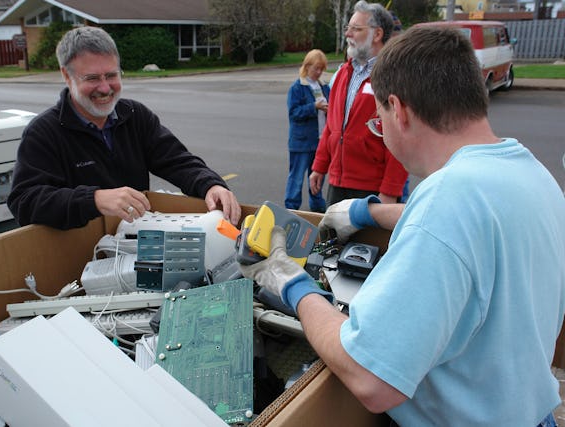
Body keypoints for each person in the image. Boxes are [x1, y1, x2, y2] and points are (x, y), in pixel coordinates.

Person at [240, 26, 565, 426]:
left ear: (400, 110)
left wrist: (291, 283)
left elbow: (371, 378)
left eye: (379, 120)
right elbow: (477, 228)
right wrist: (369, 211)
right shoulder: (531, 174)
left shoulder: (448, 202)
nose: (382, 131)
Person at [7, 26, 240, 230]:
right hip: (73, 255)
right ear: (66, 76)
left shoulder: (135, 116)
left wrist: (211, 184)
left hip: (132, 245)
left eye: (111, 75)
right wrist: (95, 199)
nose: (105, 87)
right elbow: (25, 202)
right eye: (92, 78)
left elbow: (177, 160)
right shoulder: (44, 132)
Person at [309, 0, 408, 206]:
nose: (348, 34)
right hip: (337, 183)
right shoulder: (343, 74)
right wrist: (319, 166)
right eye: (348, 28)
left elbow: (401, 138)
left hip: (372, 188)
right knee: (334, 238)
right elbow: (332, 126)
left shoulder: (393, 77)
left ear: (377, 34)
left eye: (356, 28)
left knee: (368, 240)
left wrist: (390, 191)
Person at [284, 49, 330, 213]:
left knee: (317, 176)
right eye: (316, 68)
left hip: (319, 141)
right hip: (301, 142)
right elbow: (294, 113)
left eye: (321, 69)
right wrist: (314, 107)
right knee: (296, 177)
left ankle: (317, 206)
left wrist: (328, 109)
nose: (319, 72)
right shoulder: (298, 87)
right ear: (307, 66)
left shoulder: (324, 87)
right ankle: (291, 208)